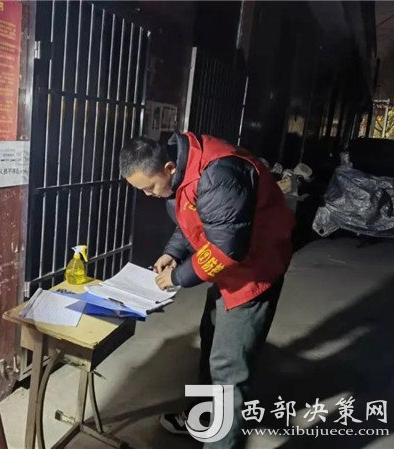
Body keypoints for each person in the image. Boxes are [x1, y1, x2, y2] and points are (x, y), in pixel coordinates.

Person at [119, 132, 295, 448]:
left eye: (149, 187)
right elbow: (194, 219)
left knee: (229, 370)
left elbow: (227, 248)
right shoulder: (183, 169)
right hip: (229, 271)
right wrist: (173, 252)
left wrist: (177, 277)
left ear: (168, 167)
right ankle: (202, 417)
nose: (148, 195)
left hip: (252, 273)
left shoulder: (219, 175)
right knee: (211, 341)